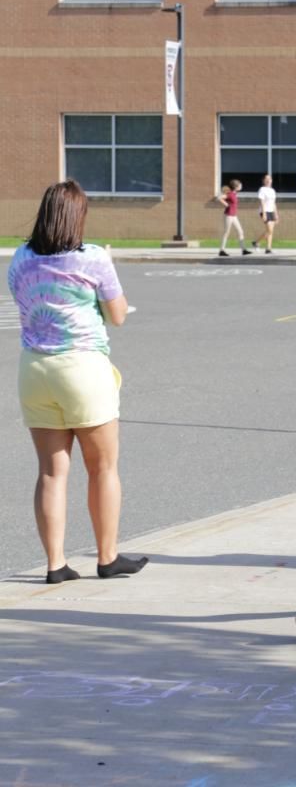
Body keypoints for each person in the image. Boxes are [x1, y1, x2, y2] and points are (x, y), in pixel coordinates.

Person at [7, 180, 148, 584]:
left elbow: (25, 300)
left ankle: (55, 564)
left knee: (51, 472)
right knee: (102, 466)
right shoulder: (93, 258)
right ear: (77, 217)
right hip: (82, 368)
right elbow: (118, 315)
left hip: (34, 369)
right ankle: (107, 557)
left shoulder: (21, 257)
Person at [218, 179, 252, 257]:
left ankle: (244, 250)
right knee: (227, 232)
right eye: (240, 185)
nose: (241, 186)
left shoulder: (234, 194)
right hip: (228, 215)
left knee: (240, 231)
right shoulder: (230, 194)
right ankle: (221, 250)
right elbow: (219, 198)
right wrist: (226, 205)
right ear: (236, 187)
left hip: (234, 215)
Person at [253, 173, 279, 255]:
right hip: (264, 211)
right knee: (269, 230)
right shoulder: (262, 189)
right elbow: (262, 202)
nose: (268, 180)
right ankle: (257, 243)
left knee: (270, 231)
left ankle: (267, 248)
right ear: (264, 181)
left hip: (271, 211)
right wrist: (264, 213)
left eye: (270, 179)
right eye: (266, 179)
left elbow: (274, 203)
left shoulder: (272, 190)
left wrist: (276, 214)